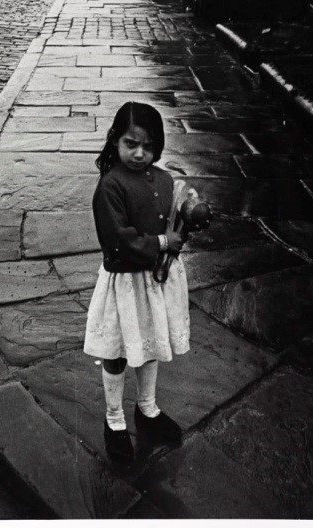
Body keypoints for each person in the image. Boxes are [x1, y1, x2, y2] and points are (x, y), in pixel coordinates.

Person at [83, 101, 190, 462]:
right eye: (131, 143)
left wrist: (189, 211)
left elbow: (172, 218)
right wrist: (162, 243)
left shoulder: (162, 178)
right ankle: (114, 419)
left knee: (148, 344)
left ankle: (147, 408)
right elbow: (118, 240)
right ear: (116, 141)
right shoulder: (110, 186)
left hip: (153, 283)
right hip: (125, 283)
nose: (139, 153)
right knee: (116, 351)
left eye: (147, 146)